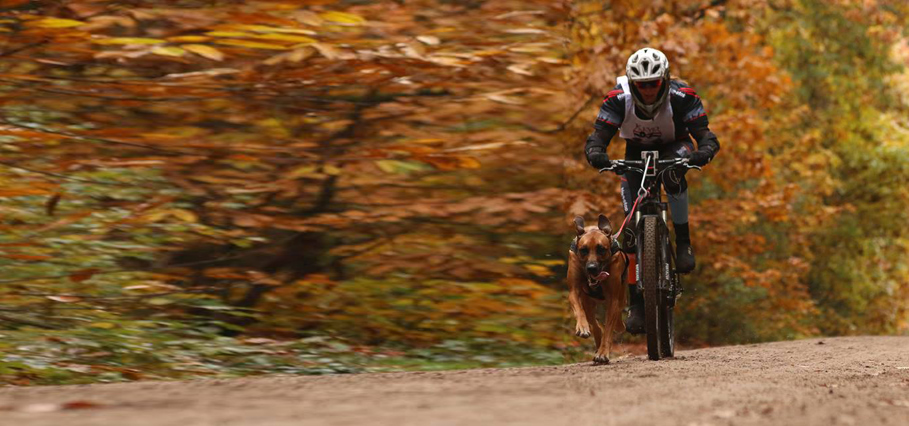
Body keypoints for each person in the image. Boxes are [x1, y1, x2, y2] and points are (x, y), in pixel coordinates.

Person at [584, 47, 720, 334]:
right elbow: (599, 136)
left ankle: (683, 242)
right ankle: (636, 303)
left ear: (665, 80)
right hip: (635, 152)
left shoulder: (683, 97)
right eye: (641, 85)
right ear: (633, 84)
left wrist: (705, 150)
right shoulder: (618, 99)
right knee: (631, 233)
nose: (647, 91)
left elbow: (705, 135)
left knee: (672, 176)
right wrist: (596, 151)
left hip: (676, 146)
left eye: (654, 83)